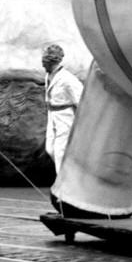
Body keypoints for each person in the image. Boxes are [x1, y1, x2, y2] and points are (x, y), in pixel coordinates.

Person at [42, 43, 84, 172]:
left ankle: (62, 186)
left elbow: (81, 100)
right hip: (52, 114)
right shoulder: (48, 76)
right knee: (50, 148)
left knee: (60, 150)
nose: (43, 64)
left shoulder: (68, 79)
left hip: (66, 116)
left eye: (45, 62)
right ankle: (69, 173)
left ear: (51, 62)